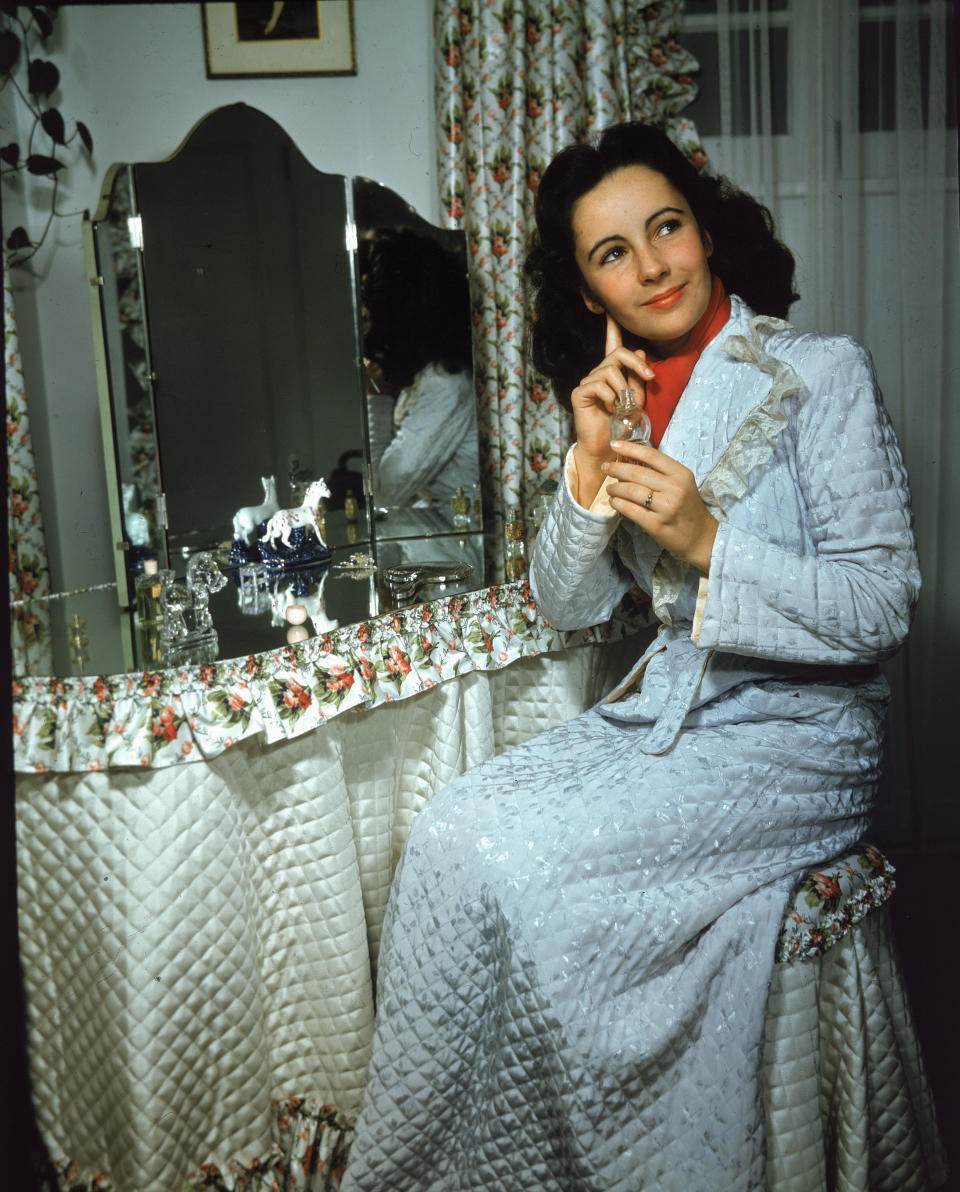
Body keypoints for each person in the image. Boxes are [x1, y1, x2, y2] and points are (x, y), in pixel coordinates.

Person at [340, 122, 920, 1190]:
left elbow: (883, 604)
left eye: (666, 228)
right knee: (448, 838)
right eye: (614, 253)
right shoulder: (623, 398)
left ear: (707, 231)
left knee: (541, 886)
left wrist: (709, 544)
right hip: (666, 716)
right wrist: (584, 461)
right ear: (590, 291)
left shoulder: (820, 373)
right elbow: (567, 604)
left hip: (802, 741)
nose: (651, 265)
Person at [359, 227, 478, 508]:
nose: (367, 317)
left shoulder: (447, 383)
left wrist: (375, 399)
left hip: (456, 542)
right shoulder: (431, 374)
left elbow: (383, 494)